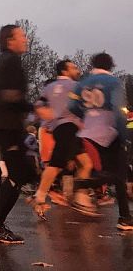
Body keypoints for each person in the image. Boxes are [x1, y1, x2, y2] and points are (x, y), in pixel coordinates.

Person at [0, 24, 34, 244]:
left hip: (0, 125)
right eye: (22, 36)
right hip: (9, 124)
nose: (26, 39)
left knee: (21, 172)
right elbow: (10, 95)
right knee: (20, 173)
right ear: (10, 40)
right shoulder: (11, 60)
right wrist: (33, 108)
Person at [68, 53, 132, 231]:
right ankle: (82, 185)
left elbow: (71, 105)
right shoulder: (113, 82)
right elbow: (118, 110)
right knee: (118, 174)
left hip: (88, 132)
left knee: (108, 172)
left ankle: (125, 217)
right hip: (109, 133)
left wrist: (87, 116)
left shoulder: (83, 82)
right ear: (111, 65)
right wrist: (123, 135)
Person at [32, 60, 95, 217]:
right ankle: (39, 196)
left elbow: (38, 106)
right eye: (74, 67)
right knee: (56, 165)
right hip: (69, 128)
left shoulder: (49, 87)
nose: (77, 70)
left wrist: (48, 117)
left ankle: (80, 196)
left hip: (60, 129)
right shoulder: (75, 86)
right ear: (65, 71)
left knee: (86, 164)